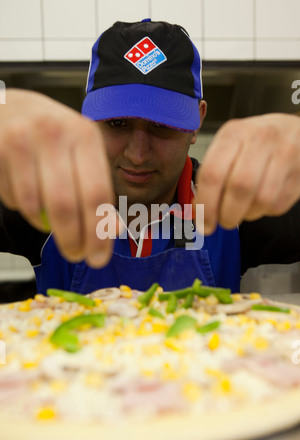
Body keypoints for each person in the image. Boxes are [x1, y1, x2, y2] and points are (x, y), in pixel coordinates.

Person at [0, 19, 300, 298]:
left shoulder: (234, 206)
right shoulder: (49, 198)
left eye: (161, 126)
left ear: (196, 121)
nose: (138, 154)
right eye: (117, 124)